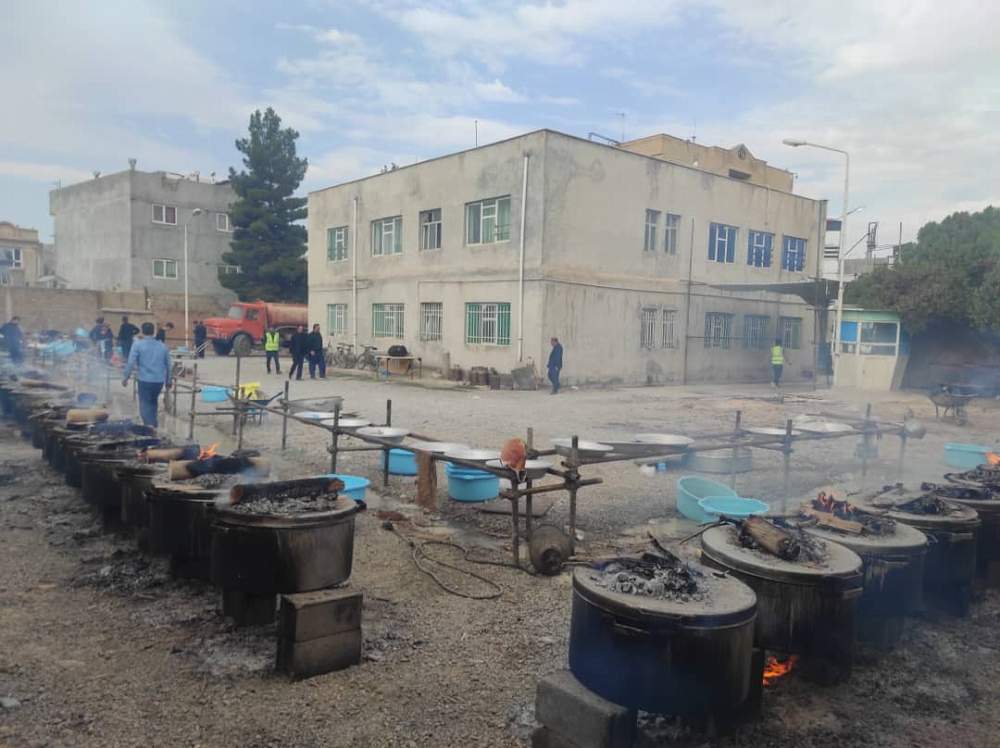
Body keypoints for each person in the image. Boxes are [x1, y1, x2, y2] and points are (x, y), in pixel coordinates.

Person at [122, 322, 171, 428]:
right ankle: (153, 426)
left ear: (142, 331)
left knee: (144, 406)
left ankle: (149, 428)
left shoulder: (137, 345)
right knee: (153, 403)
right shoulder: (163, 346)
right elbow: (168, 365)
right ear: (153, 332)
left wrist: (125, 377)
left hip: (144, 380)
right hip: (158, 381)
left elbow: (130, 363)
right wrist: (168, 381)